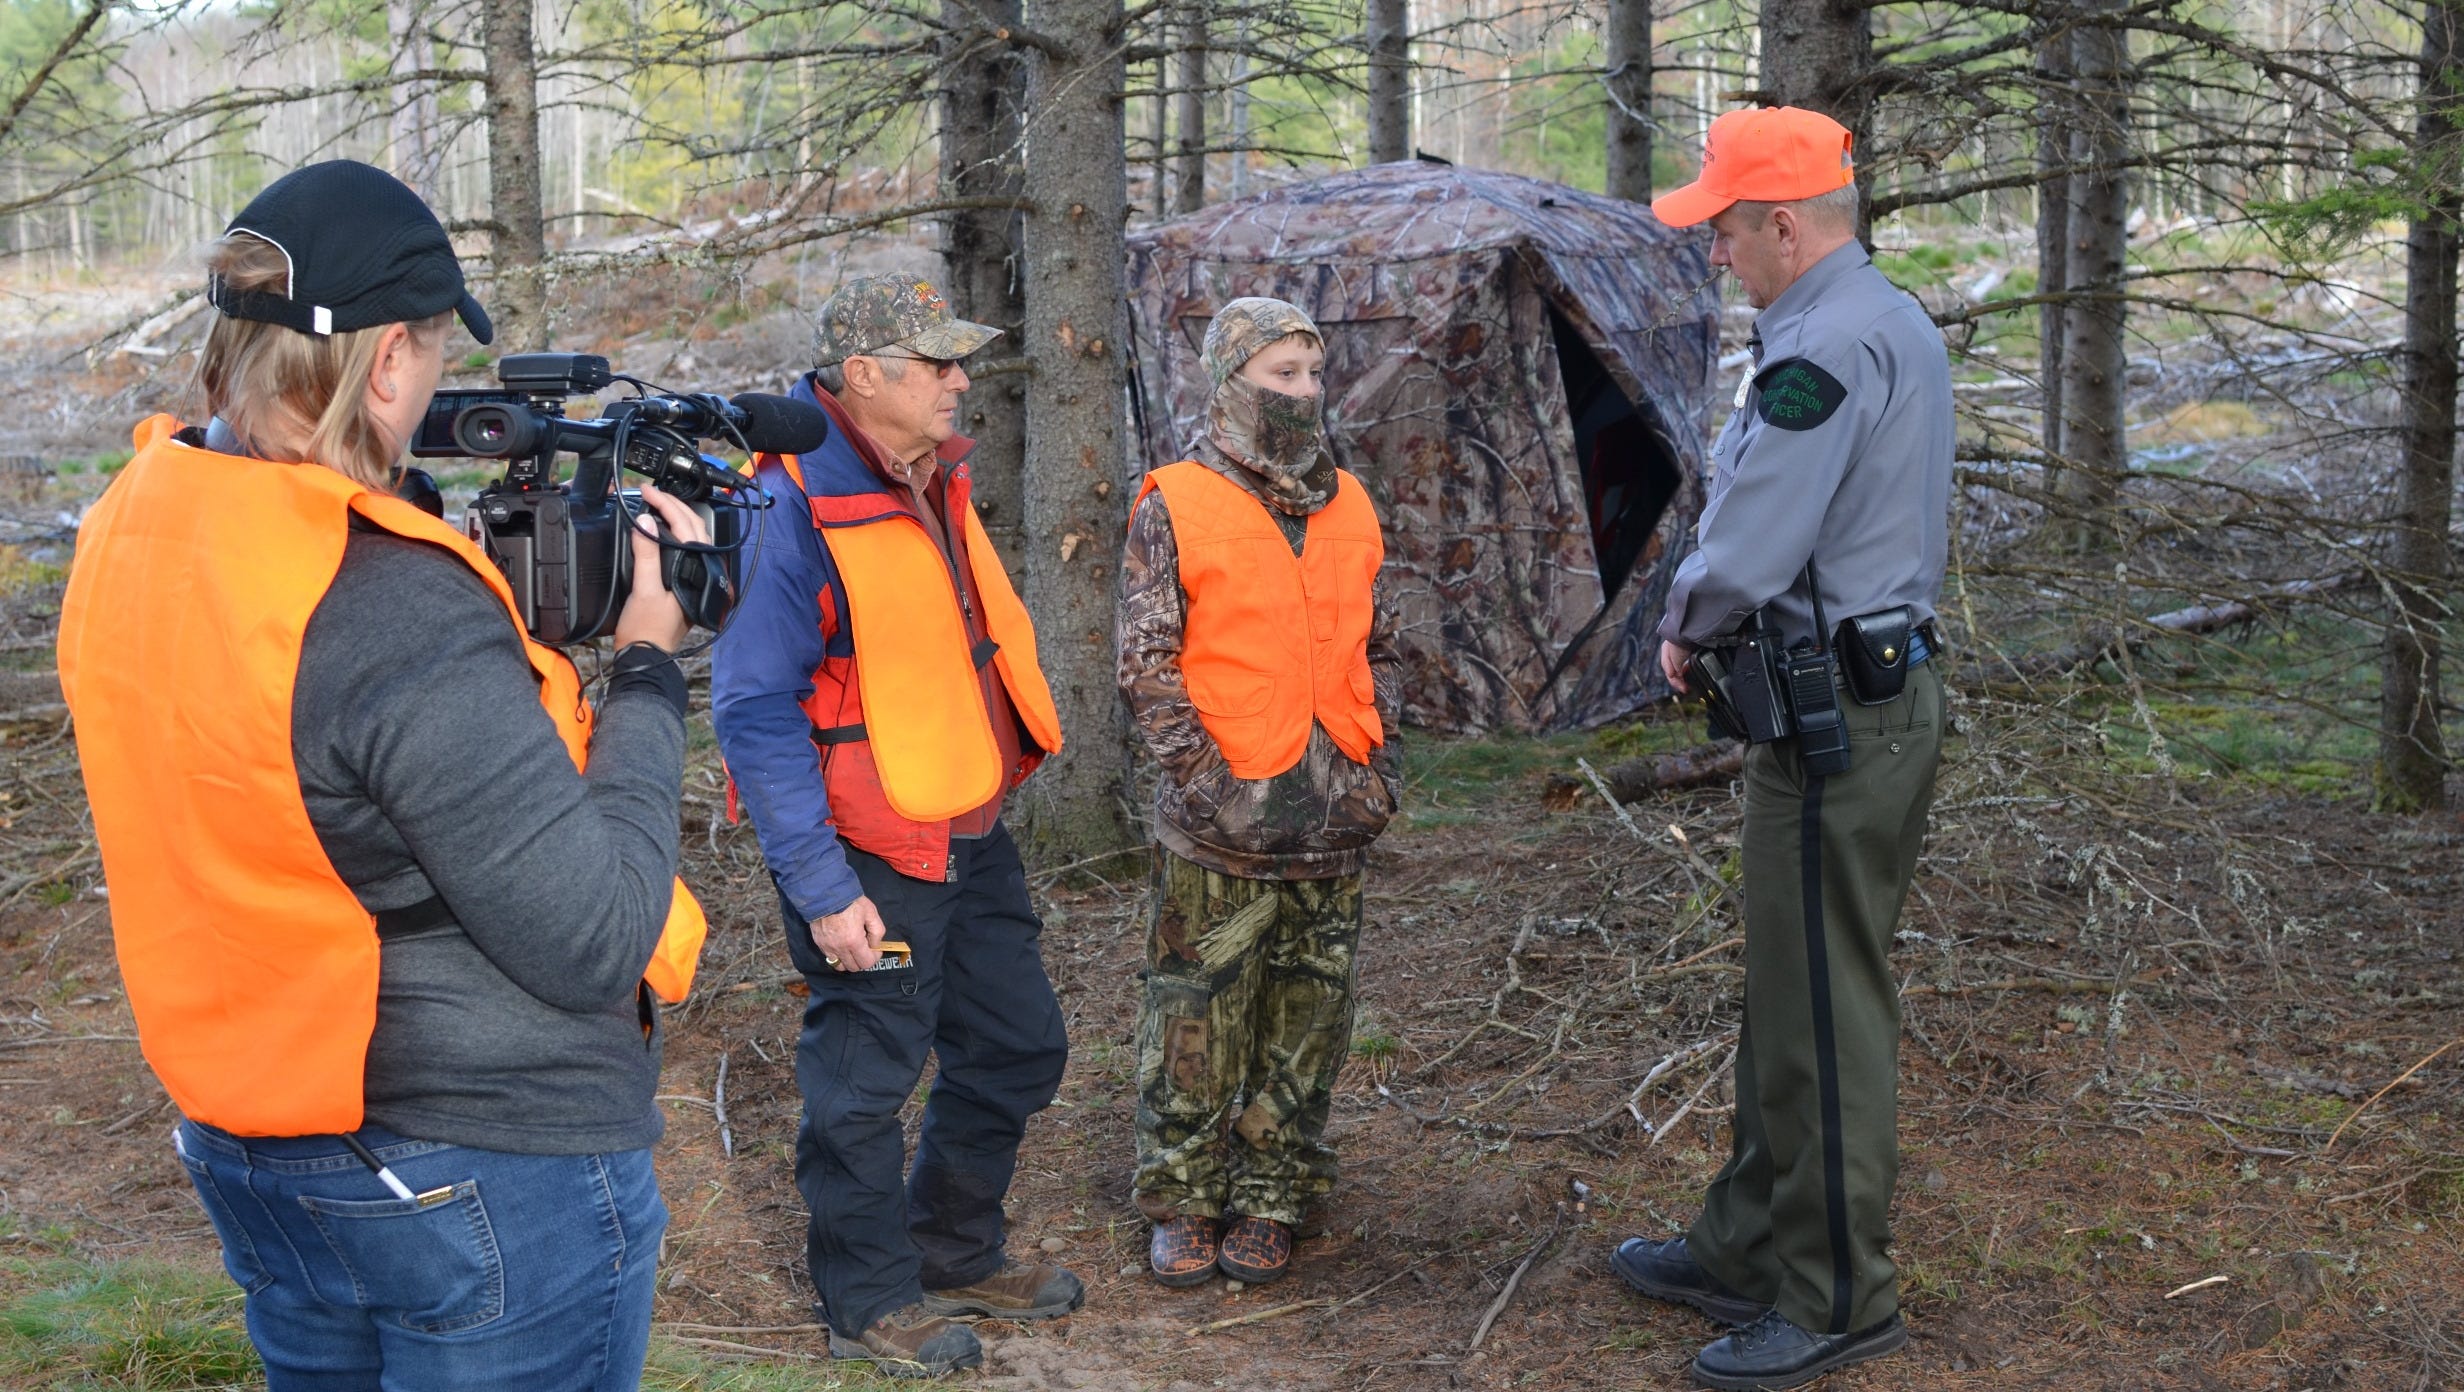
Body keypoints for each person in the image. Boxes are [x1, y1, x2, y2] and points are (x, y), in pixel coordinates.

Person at [55, 159, 712, 1392]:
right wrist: (644, 667)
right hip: (479, 1165)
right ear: (392, 358)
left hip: (261, 1142)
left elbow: (297, 748)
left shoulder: (134, 530)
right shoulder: (392, 606)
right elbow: (594, 937)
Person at [1606, 108, 1952, 1391]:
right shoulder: (1879, 321)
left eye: (1728, 230)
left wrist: (1686, 624)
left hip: (1833, 717)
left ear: (1787, 226)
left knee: (1824, 1005)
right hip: (1853, 702)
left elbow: (1753, 540)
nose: (1718, 255)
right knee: (1791, 995)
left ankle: (1838, 1293)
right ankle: (1751, 1240)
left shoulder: (1823, 350)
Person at [710, 274, 1077, 1378]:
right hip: (870, 848)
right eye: (938, 363)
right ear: (862, 378)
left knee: (1017, 1045)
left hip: (966, 821)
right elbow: (752, 709)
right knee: (863, 1089)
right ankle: (868, 1299)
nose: (962, 380)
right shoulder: (786, 508)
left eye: (961, 360)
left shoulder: (925, 474)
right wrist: (823, 889)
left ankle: (954, 1249)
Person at [1115, 298, 1402, 1288]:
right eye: (1282, 376)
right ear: (1229, 379)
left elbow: (1384, 646)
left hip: (1334, 819)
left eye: (1314, 376)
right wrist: (1203, 785)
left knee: (1310, 1016)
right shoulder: (1175, 500)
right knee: (1194, 1018)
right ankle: (1184, 1195)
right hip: (1221, 829)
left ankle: (1274, 1193)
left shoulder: (1352, 502)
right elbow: (1146, 664)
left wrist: (1377, 767)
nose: (1305, 395)